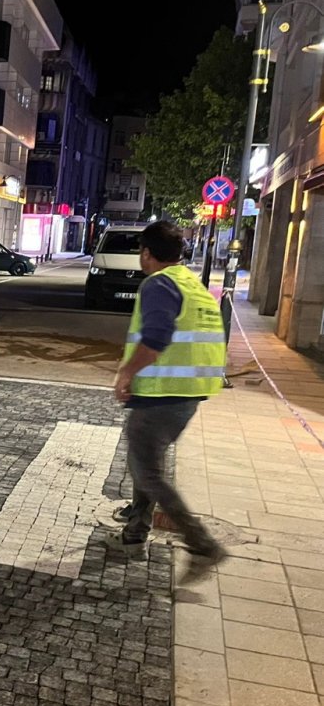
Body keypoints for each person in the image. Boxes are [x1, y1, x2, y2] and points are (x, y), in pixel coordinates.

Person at [108, 221, 228, 584]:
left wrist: (126, 373)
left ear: (146, 253)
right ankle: (136, 530)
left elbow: (157, 337)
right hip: (187, 392)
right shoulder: (192, 283)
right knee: (148, 462)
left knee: (147, 471)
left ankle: (203, 545)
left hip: (162, 392)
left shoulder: (158, 283)